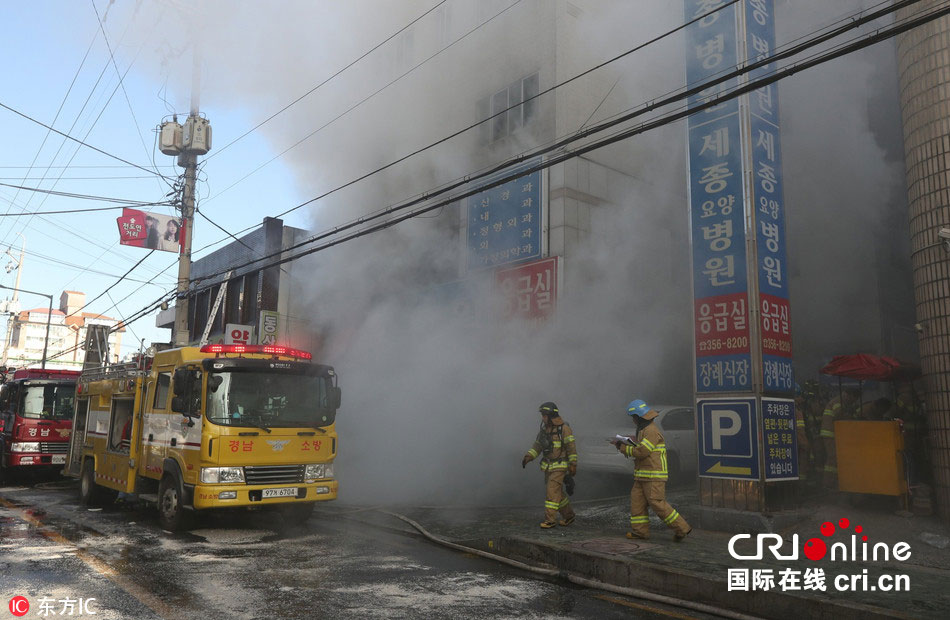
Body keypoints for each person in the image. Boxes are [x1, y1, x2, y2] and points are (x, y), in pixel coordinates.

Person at [613, 399, 691, 541]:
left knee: (657, 503)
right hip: (642, 475)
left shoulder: (651, 430)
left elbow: (643, 451)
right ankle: (640, 532)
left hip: (653, 476)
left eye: (633, 418)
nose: (633, 421)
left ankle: (682, 528)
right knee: (637, 503)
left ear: (639, 416)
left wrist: (623, 448)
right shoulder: (644, 429)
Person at [522, 401, 577, 528]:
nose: (542, 418)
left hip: (560, 466)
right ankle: (569, 515)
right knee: (558, 493)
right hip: (548, 466)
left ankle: (550, 520)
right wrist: (528, 457)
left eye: (544, 415)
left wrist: (573, 464)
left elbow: (571, 448)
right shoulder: (544, 431)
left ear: (551, 415)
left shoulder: (564, 429)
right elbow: (537, 446)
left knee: (551, 491)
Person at [819, 388, 859, 489]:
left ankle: (833, 482)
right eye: (854, 398)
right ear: (849, 395)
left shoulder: (842, 402)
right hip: (830, 434)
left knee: (835, 458)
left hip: (834, 434)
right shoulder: (838, 402)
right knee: (832, 457)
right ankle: (827, 483)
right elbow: (839, 415)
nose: (853, 401)